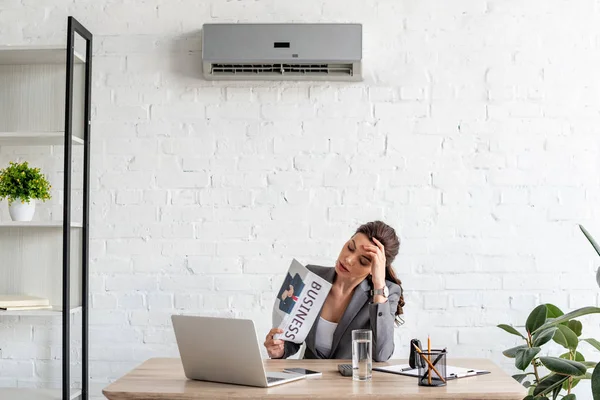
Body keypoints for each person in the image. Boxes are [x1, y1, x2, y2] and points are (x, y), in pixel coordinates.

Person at [264, 221, 405, 362]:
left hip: (352, 380)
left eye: (363, 261)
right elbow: (293, 337)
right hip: (310, 377)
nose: (348, 259)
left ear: (375, 269)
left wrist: (378, 285)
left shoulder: (387, 292)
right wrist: (280, 349)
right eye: (350, 247)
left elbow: (382, 354)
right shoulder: (311, 276)